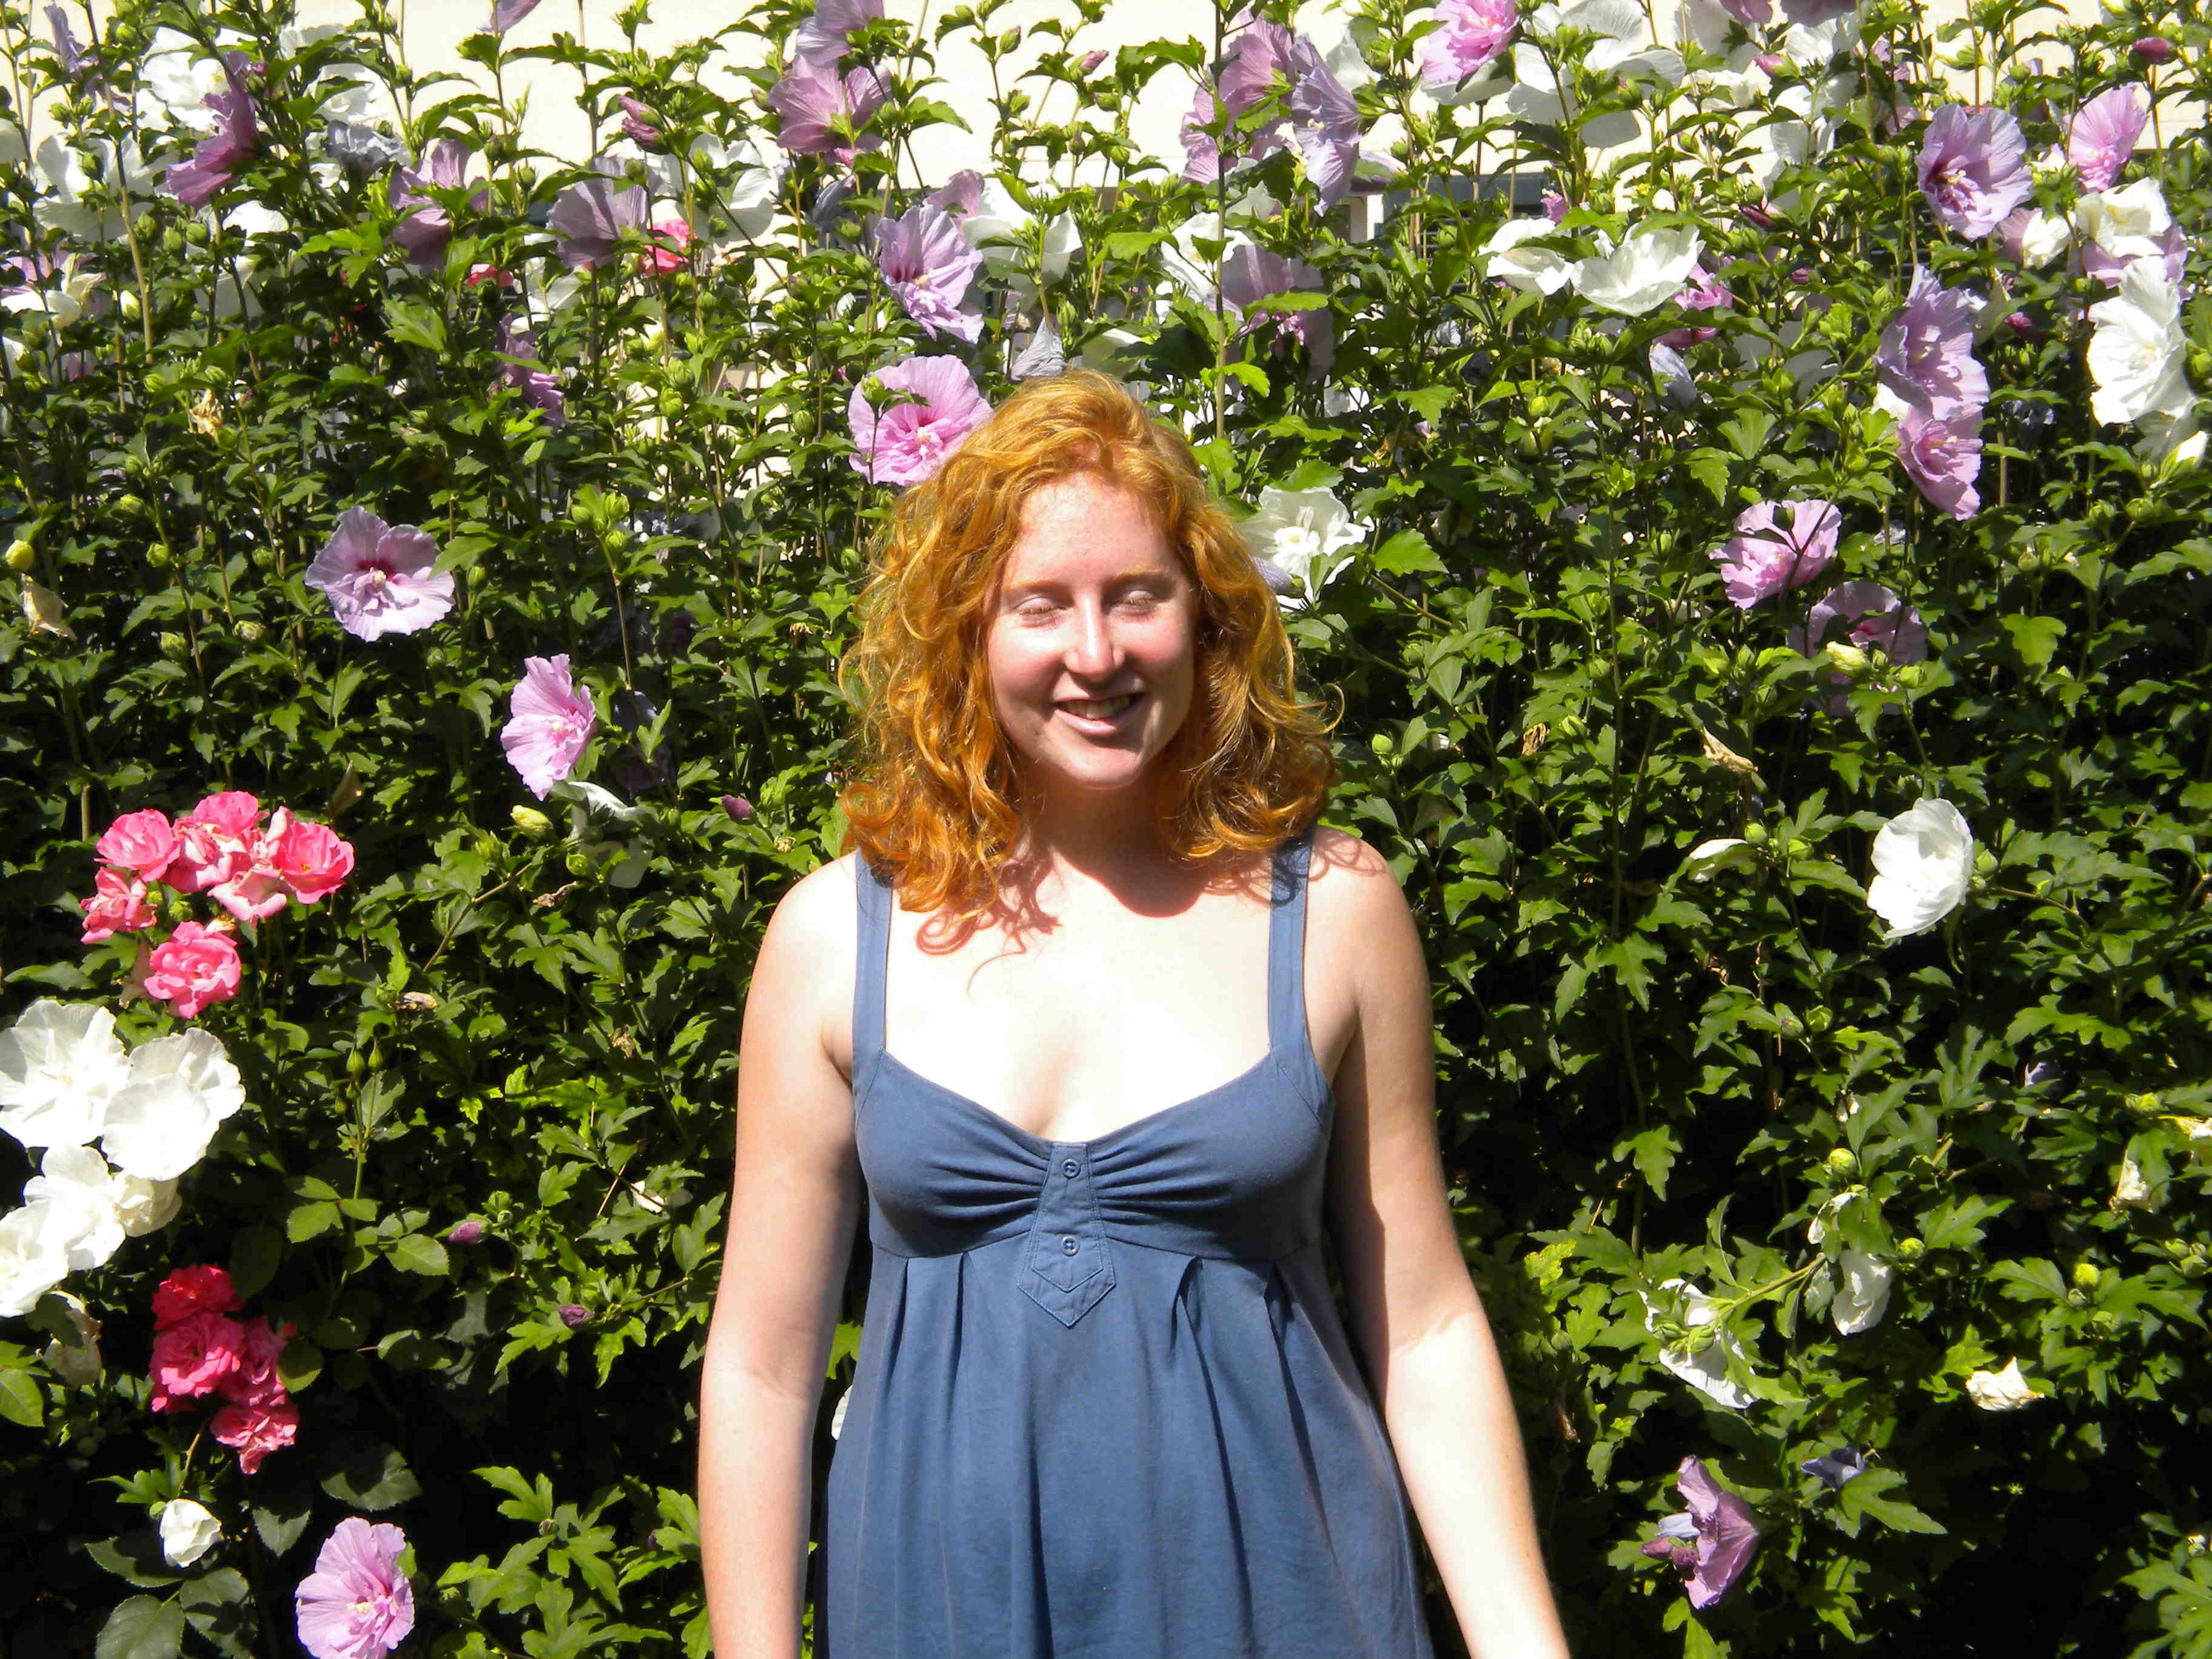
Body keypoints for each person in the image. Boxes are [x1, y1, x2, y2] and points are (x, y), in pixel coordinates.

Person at [697, 370, 1569, 1658]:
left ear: (1206, 617)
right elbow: (763, 1371)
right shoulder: (834, 940)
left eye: (1137, 597)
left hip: (1285, 1609)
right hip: (941, 1614)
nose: (1096, 653)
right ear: (967, 631)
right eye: (1041, 605)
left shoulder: (1334, 911)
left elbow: (1429, 1325)